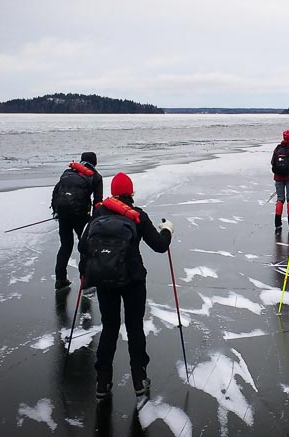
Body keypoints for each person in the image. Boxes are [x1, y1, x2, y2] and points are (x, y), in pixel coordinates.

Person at [78, 172, 174, 399]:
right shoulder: (137, 216)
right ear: (131, 193)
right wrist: (168, 229)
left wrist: (85, 274)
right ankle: (140, 379)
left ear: (112, 192)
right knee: (134, 327)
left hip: (104, 280)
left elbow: (83, 247)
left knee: (109, 328)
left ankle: (102, 382)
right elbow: (160, 246)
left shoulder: (97, 214)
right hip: (133, 281)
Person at [50, 151, 103, 290]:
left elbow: (56, 192)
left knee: (65, 246)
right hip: (82, 217)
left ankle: (60, 279)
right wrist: (96, 221)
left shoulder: (68, 172)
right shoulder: (96, 177)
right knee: (85, 247)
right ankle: (85, 281)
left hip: (63, 214)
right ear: (95, 162)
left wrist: (56, 211)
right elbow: (98, 202)